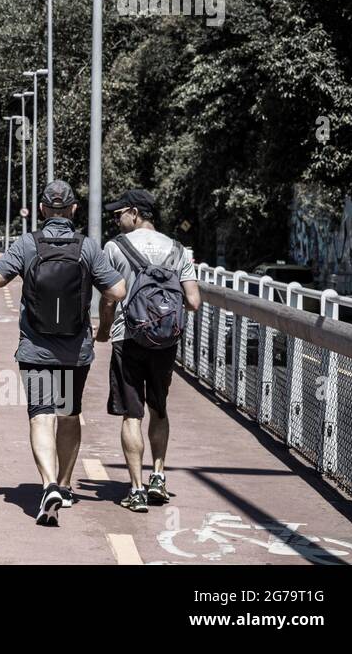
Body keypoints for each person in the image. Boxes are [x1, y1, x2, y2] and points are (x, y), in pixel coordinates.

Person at [0, 180, 126, 526]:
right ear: (74, 210)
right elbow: (118, 289)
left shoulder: (27, 244)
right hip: (76, 350)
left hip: (35, 348)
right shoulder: (87, 247)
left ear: (44, 210)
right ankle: (64, 484)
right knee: (68, 414)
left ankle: (47, 484)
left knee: (40, 415)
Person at [97, 189, 201, 512]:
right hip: (165, 343)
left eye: (119, 214)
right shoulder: (178, 249)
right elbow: (194, 302)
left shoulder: (115, 248)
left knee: (131, 414)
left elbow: (110, 297)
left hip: (127, 339)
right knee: (159, 408)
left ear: (135, 213)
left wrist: (102, 329)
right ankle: (158, 476)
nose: (116, 219)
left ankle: (137, 489)